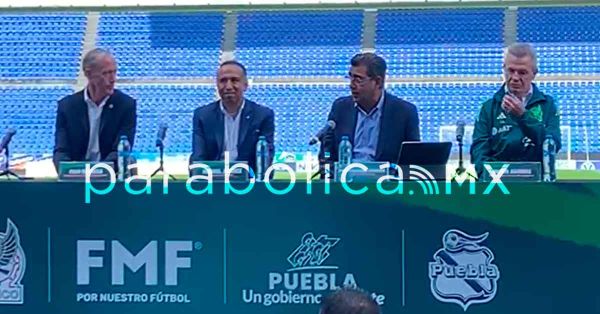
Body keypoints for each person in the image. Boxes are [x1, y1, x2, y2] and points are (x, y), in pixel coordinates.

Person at [471, 43, 561, 177]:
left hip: (537, 185)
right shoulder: (489, 107)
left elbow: (552, 144)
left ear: (534, 74)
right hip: (497, 186)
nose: (515, 78)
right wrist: (491, 176)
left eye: (522, 72)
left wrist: (523, 116)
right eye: (510, 70)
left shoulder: (547, 105)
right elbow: (479, 149)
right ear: (504, 69)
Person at [320, 53, 420, 164]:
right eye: (350, 77)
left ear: (378, 82)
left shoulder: (404, 112)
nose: (351, 85)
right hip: (346, 179)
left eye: (358, 79)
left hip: (385, 179)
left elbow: (413, 159)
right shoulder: (340, 107)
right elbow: (326, 149)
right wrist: (327, 164)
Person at [53, 48, 137, 172]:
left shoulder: (125, 105)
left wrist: (96, 171)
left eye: (114, 72)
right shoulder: (67, 107)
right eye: (106, 73)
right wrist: (70, 171)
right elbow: (61, 150)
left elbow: (120, 152)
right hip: (76, 176)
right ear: (88, 74)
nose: (112, 79)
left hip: (110, 176)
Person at [190, 60, 274, 172]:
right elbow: (198, 156)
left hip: (248, 181)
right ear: (217, 84)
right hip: (213, 181)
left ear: (245, 85)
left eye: (234, 80)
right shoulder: (203, 115)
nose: (228, 86)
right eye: (223, 81)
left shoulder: (263, 115)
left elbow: (266, 158)